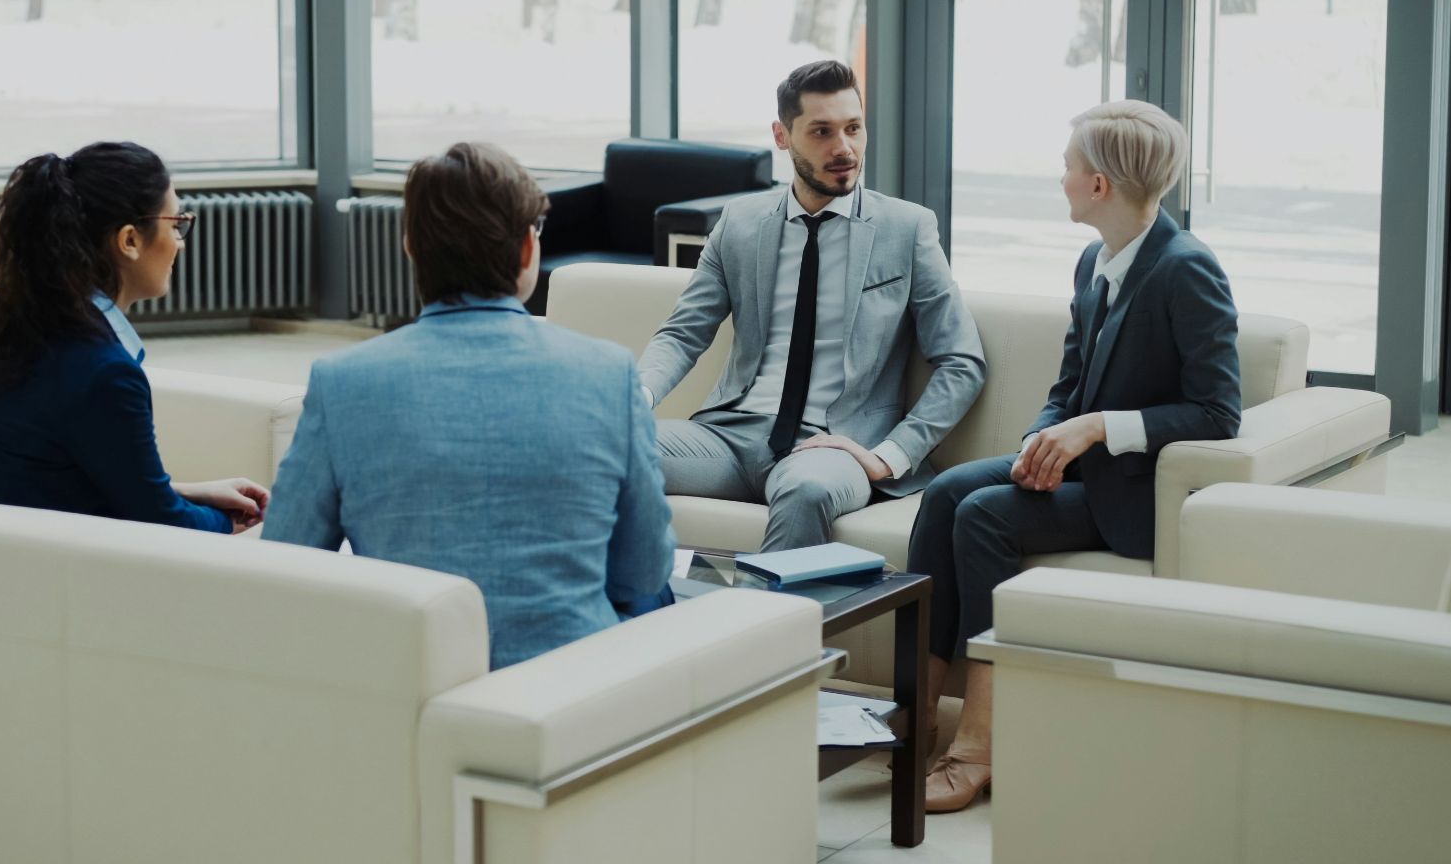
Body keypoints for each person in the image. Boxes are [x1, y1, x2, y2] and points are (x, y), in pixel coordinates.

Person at [909, 100, 1242, 812]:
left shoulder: (1187, 270)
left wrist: (1094, 430)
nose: (1059, 179)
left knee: (985, 517)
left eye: (1067, 167)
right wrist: (1044, 437)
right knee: (943, 496)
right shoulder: (1096, 257)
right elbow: (1068, 382)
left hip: (1133, 492)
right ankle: (915, 721)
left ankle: (979, 745)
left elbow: (1219, 412)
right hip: (1082, 469)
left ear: (1099, 185)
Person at [262, 142, 676, 670]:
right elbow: (642, 570)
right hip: (573, 694)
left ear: (411, 247)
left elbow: (287, 561)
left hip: (413, 687)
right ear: (529, 251)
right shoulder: (609, 373)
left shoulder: (342, 381)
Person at [639, 60, 985, 551]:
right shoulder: (740, 224)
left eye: (853, 129)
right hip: (729, 436)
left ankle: (769, 626)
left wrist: (891, 455)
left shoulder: (907, 229)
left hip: (834, 445)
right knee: (611, 445)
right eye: (822, 132)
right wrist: (638, 397)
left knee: (806, 489)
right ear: (783, 136)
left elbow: (962, 361)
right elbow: (682, 333)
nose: (843, 148)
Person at [0, 141, 270, 533]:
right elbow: (162, 523)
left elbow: (44, 473)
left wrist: (194, 493)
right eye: (175, 224)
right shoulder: (105, 372)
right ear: (129, 240)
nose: (179, 241)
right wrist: (234, 522)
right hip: (41, 575)